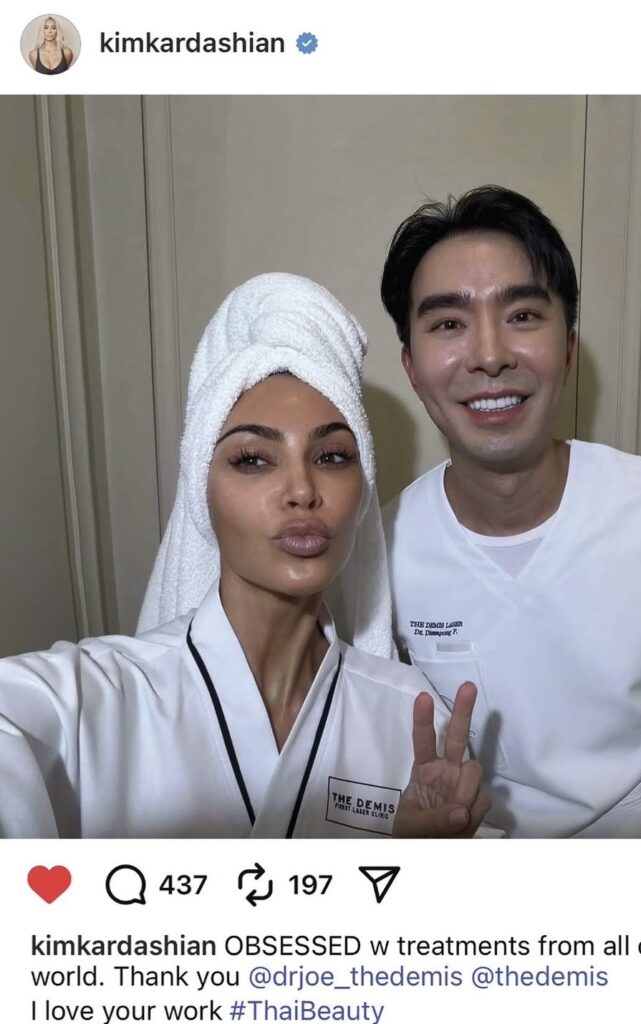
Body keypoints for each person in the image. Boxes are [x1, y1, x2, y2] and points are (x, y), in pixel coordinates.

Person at [0, 274, 491, 839]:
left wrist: (428, 861)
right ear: (200, 490)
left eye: (332, 456)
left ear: (363, 490)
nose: (302, 490)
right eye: (254, 459)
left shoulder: (412, 715)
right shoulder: (94, 700)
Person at [380, 185, 641, 839]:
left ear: (568, 347)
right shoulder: (383, 552)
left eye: (522, 315)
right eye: (448, 323)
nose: (489, 355)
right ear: (412, 367)